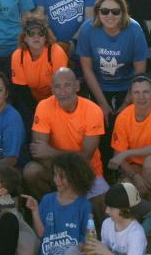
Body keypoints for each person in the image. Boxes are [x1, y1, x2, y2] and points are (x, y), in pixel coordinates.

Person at [24, 68, 108, 203]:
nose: (62, 92)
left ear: (77, 86)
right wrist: (62, 176)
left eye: (67, 85)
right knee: (31, 171)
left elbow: (86, 156)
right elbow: (39, 153)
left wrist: (52, 152)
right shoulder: (44, 106)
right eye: (57, 87)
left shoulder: (93, 110)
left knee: (102, 209)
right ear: (52, 89)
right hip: (55, 170)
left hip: (86, 171)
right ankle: (50, 210)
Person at [109, 75, 151, 234]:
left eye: (146, 92)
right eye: (136, 92)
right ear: (130, 95)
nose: (141, 97)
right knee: (124, 183)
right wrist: (134, 176)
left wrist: (127, 153)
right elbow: (118, 154)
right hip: (134, 167)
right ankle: (134, 220)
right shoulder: (123, 117)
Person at [76, 0, 149, 121]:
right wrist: (103, 104)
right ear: (97, 11)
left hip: (128, 86)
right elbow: (87, 69)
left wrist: (127, 102)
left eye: (115, 11)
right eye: (104, 11)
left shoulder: (134, 30)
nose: (110, 15)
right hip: (98, 86)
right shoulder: (87, 29)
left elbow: (140, 71)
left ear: (123, 13)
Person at [24, 152, 94, 255]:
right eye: (55, 175)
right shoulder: (47, 200)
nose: (57, 180)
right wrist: (34, 211)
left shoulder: (84, 205)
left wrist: (83, 247)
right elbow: (41, 234)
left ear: (75, 178)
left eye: (62, 176)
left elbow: (88, 237)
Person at [9, 13, 68, 127]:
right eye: (31, 33)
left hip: (58, 98)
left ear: (46, 36)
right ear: (24, 37)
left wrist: (48, 111)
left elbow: (61, 88)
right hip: (31, 101)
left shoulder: (56, 52)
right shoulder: (18, 56)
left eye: (41, 33)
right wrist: (38, 113)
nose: (36, 37)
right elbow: (21, 92)